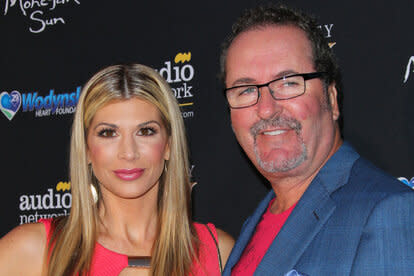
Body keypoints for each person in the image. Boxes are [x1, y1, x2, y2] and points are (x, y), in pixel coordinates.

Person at [220, 4, 414, 276]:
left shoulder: (389, 214)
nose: (266, 108)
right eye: (246, 90)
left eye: (288, 82)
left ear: (332, 100)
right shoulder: (254, 224)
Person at [0, 64, 234, 276]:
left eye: (146, 131)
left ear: (169, 146)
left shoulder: (219, 253)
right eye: (108, 133)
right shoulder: (32, 250)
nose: (128, 152)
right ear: (87, 150)